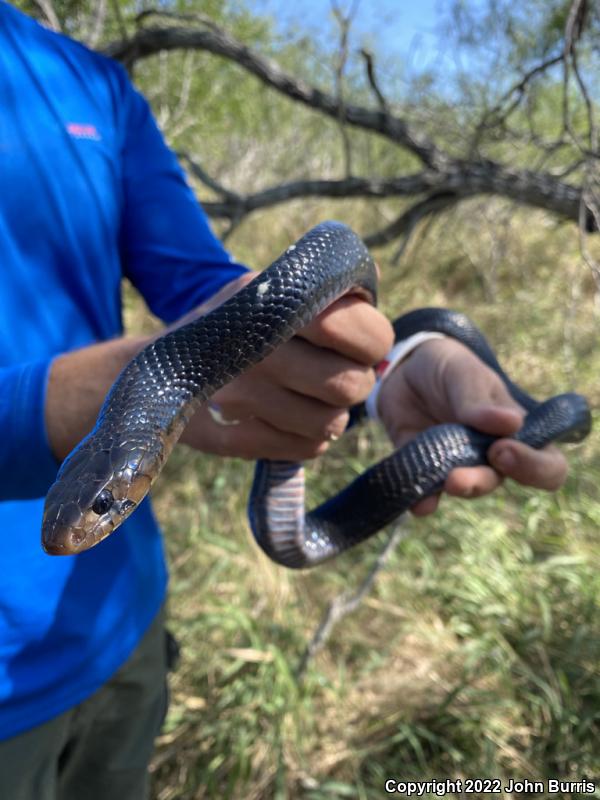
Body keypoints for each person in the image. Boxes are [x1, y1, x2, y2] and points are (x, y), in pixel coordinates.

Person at [0, 3, 568, 799]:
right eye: (99, 506)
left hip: (120, 625)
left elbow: (209, 289)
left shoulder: (91, 83)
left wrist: (388, 359)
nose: (80, 525)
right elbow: (212, 336)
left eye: (99, 503)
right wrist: (64, 400)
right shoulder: (144, 415)